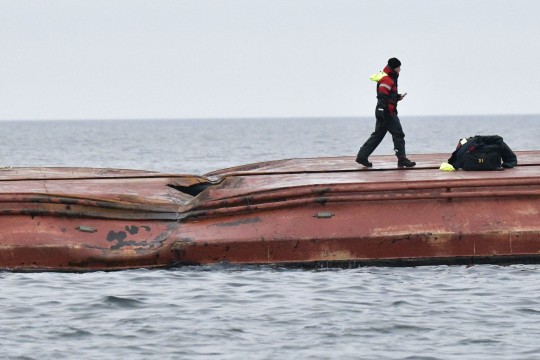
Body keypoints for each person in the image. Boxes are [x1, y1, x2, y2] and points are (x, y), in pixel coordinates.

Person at [356, 57, 416, 168]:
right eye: (399, 67)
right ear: (394, 68)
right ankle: (402, 159)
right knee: (398, 134)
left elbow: (388, 96)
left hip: (384, 111)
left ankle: (362, 156)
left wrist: (397, 97)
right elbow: (382, 96)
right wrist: (381, 111)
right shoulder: (387, 80)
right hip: (387, 113)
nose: (400, 69)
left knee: (377, 135)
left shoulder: (389, 78)